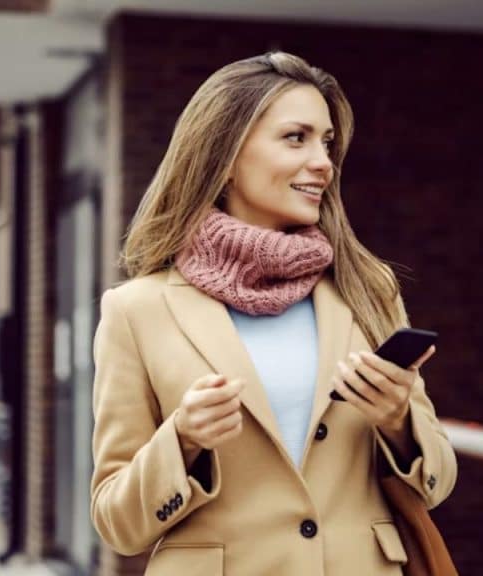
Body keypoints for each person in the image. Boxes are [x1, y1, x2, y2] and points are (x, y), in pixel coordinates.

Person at [90, 51, 457, 575]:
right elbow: (116, 524)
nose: (323, 162)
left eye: (326, 142)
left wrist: (399, 422)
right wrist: (182, 439)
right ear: (226, 155)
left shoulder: (366, 289)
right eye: (295, 138)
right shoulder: (137, 310)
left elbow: (439, 482)